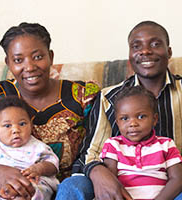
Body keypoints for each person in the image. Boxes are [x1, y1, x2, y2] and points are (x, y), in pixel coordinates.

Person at [56, 21, 182, 200]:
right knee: (72, 186)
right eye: (136, 46)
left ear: (169, 51)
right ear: (130, 55)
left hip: (173, 183)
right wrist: (99, 173)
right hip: (120, 180)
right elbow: (90, 152)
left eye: (155, 44)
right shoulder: (108, 97)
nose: (145, 51)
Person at [0, 22, 100, 199]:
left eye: (37, 57)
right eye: (18, 60)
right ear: (8, 63)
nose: (29, 67)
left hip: (64, 190)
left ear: (50, 57)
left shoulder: (83, 98)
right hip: (1, 189)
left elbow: (95, 152)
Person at [100, 85, 182, 200]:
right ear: (117, 122)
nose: (132, 123)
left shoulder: (166, 144)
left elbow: (177, 179)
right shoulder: (113, 145)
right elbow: (110, 180)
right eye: (124, 118)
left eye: (141, 116)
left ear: (154, 119)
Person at [0, 96, 59, 200]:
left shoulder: (37, 146)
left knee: (29, 194)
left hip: (33, 186)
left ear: (31, 126)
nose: (16, 130)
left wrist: (38, 169)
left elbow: (53, 165)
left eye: (22, 124)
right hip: (1, 190)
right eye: (7, 126)